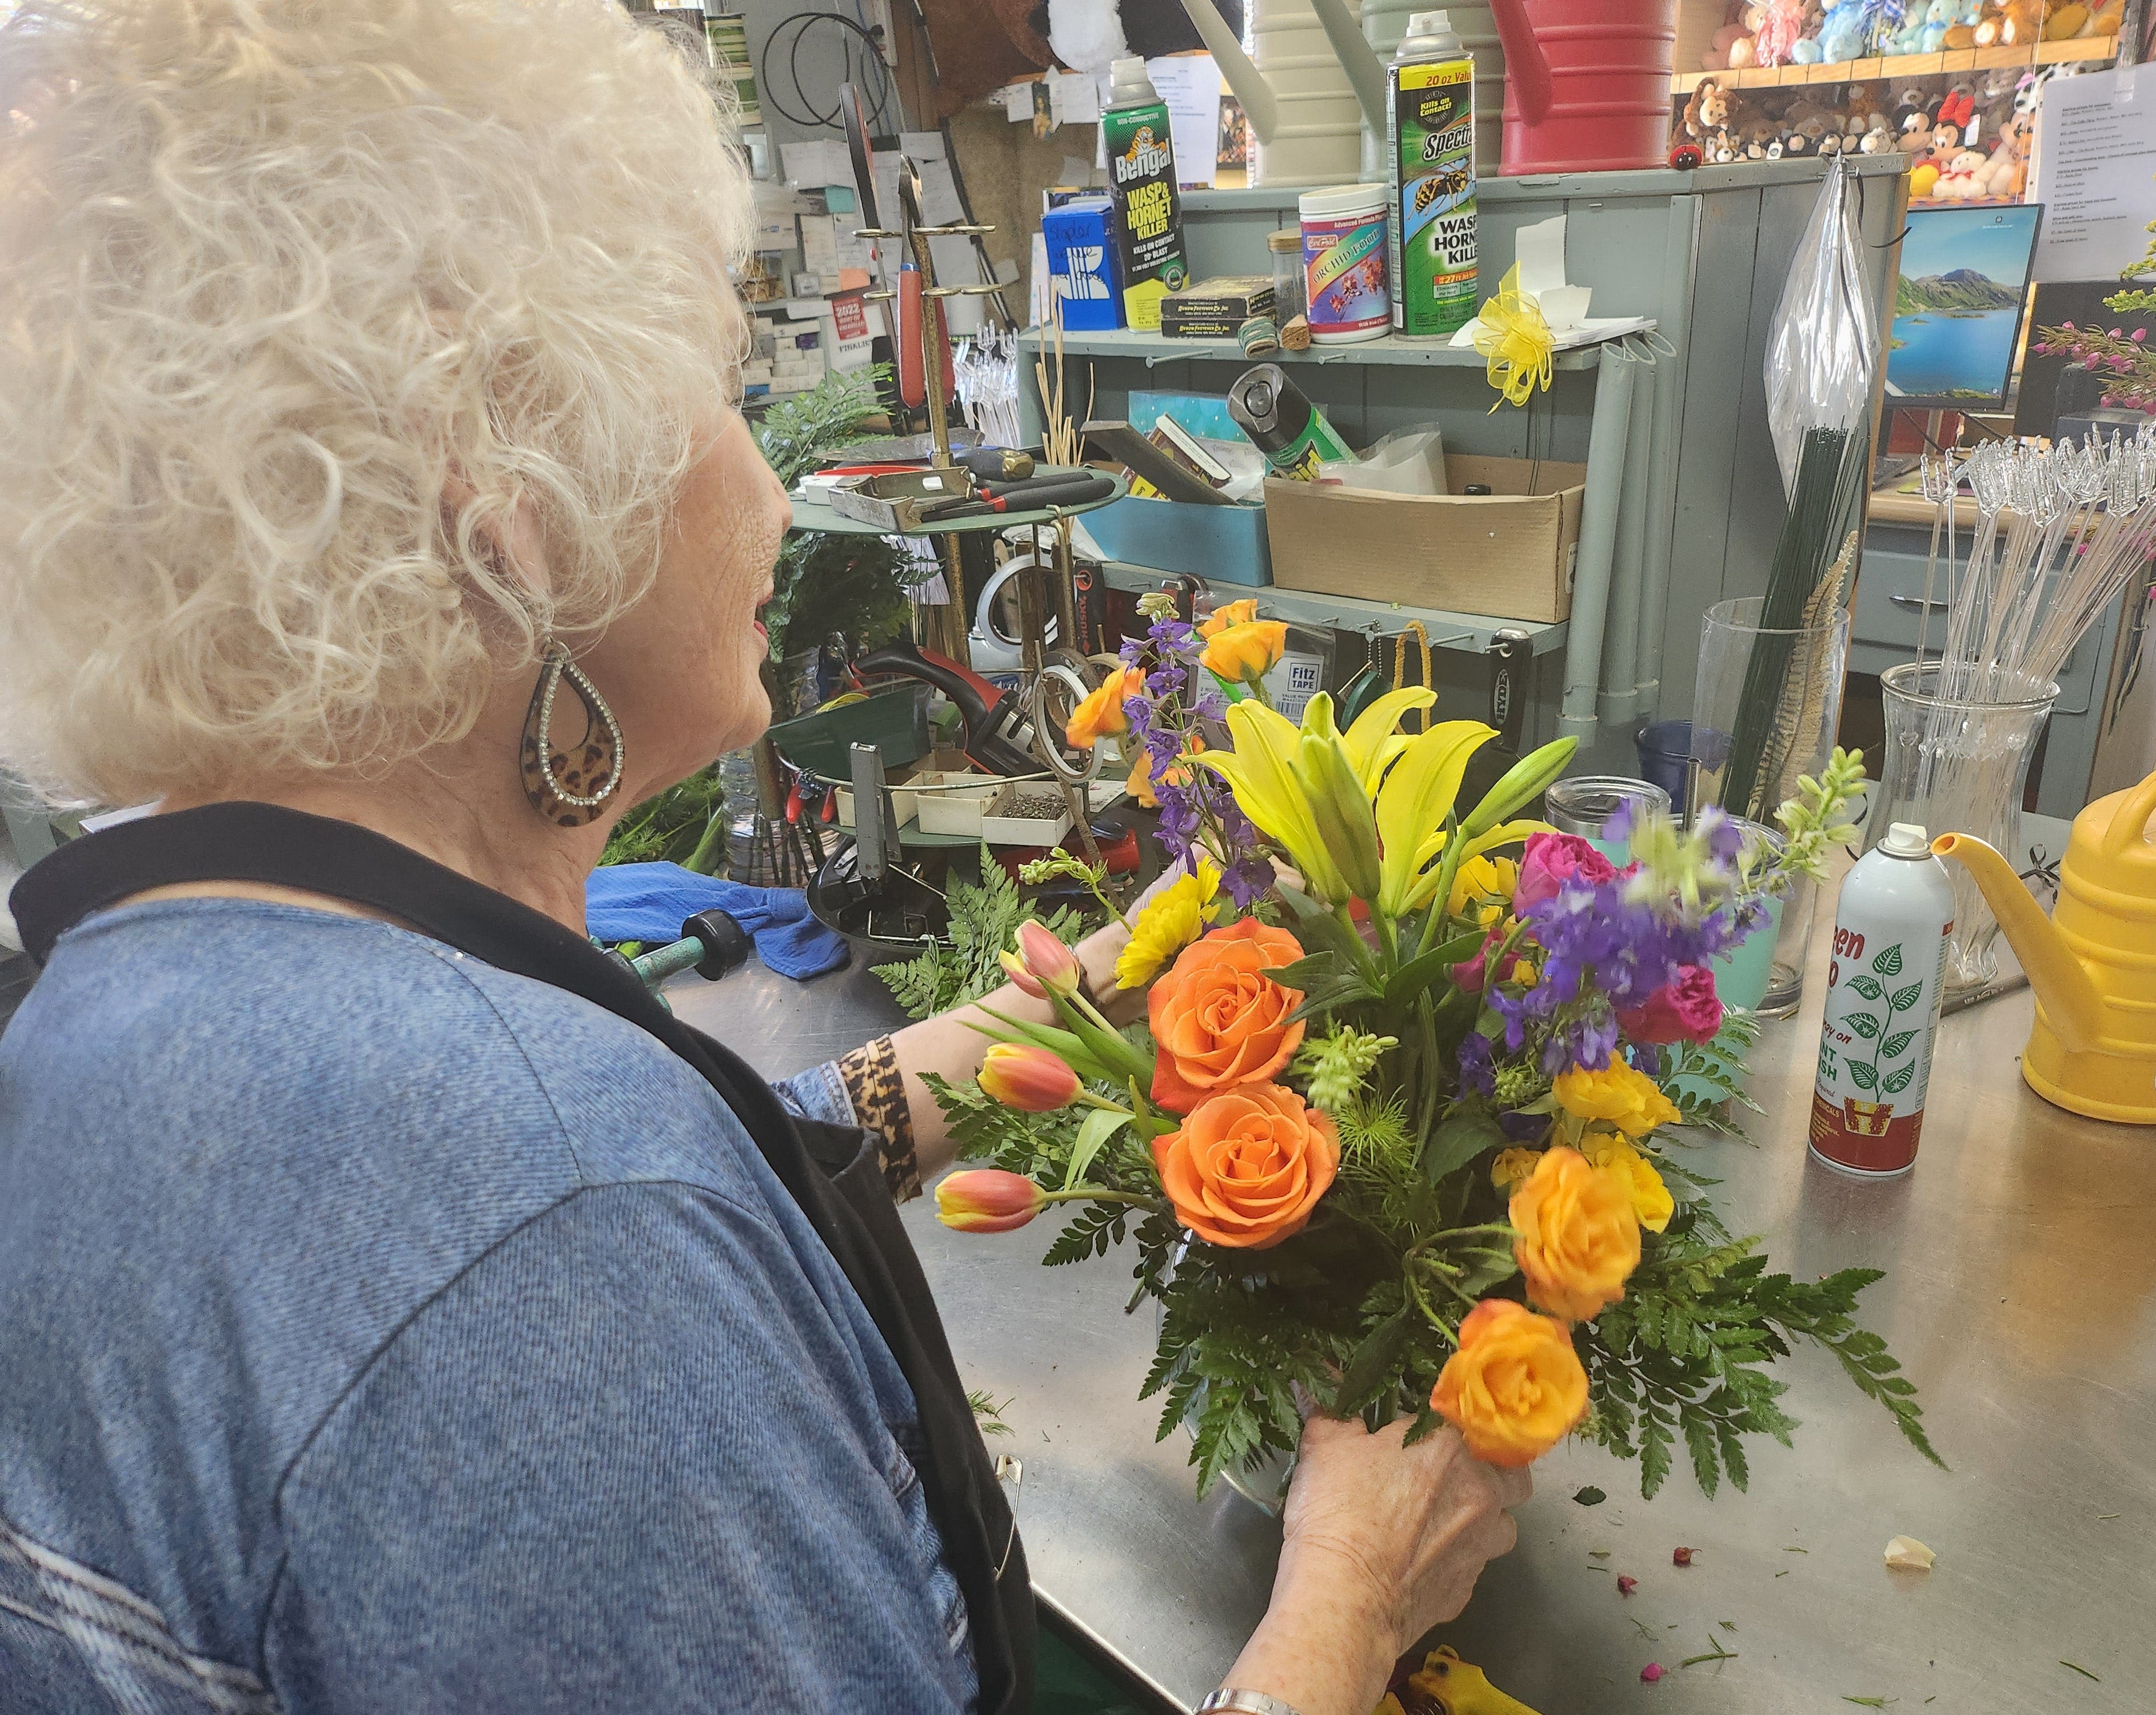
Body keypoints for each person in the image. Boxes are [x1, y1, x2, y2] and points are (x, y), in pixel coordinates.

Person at [0, 5, 1529, 1712]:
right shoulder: (560, 1244)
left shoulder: (136, 1000)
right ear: (508, 504)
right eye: (722, 397)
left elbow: (489, 1221)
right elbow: (547, 1255)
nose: (777, 496)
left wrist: (1034, 1039)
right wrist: (1347, 1593)